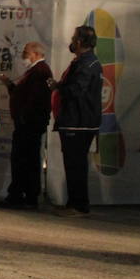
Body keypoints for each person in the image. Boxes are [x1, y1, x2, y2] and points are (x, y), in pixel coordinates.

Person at [48, 26, 102, 217]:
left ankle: (78, 205)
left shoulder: (86, 64)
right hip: (77, 120)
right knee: (73, 164)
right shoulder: (85, 62)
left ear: (79, 42)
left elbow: (77, 90)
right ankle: (74, 202)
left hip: (78, 121)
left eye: (73, 38)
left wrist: (60, 88)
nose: (72, 42)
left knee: (75, 164)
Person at [0, 42, 53, 209]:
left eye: (26, 52)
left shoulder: (40, 71)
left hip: (29, 124)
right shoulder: (33, 72)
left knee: (25, 160)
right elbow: (23, 95)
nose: (23, 55)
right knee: (25, 160)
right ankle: (23, 194)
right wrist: (10, 86)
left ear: (35, 53)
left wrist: (24, 117)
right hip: (26, 122)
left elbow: (35, 99)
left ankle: (23, 195)